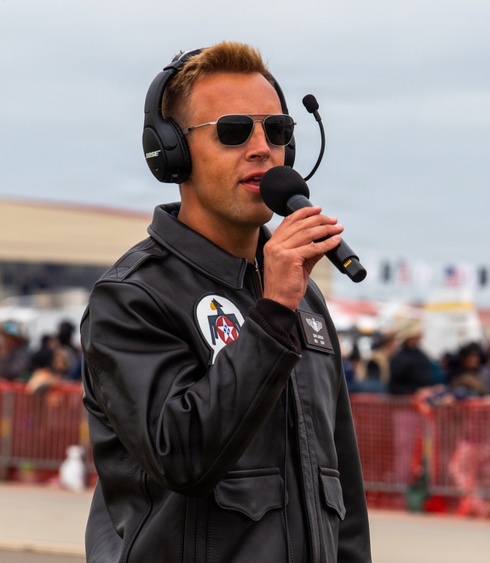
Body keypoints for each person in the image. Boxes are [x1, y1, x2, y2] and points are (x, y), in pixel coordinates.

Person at [80, 42, 370, 562]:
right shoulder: (130, 299)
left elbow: (341, 491)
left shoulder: (304, 300)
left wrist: (283, 302)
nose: (262, 147)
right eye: (234, 131)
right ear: (172, 151)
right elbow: (181, 455)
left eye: (278, 131)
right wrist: (272, 313)